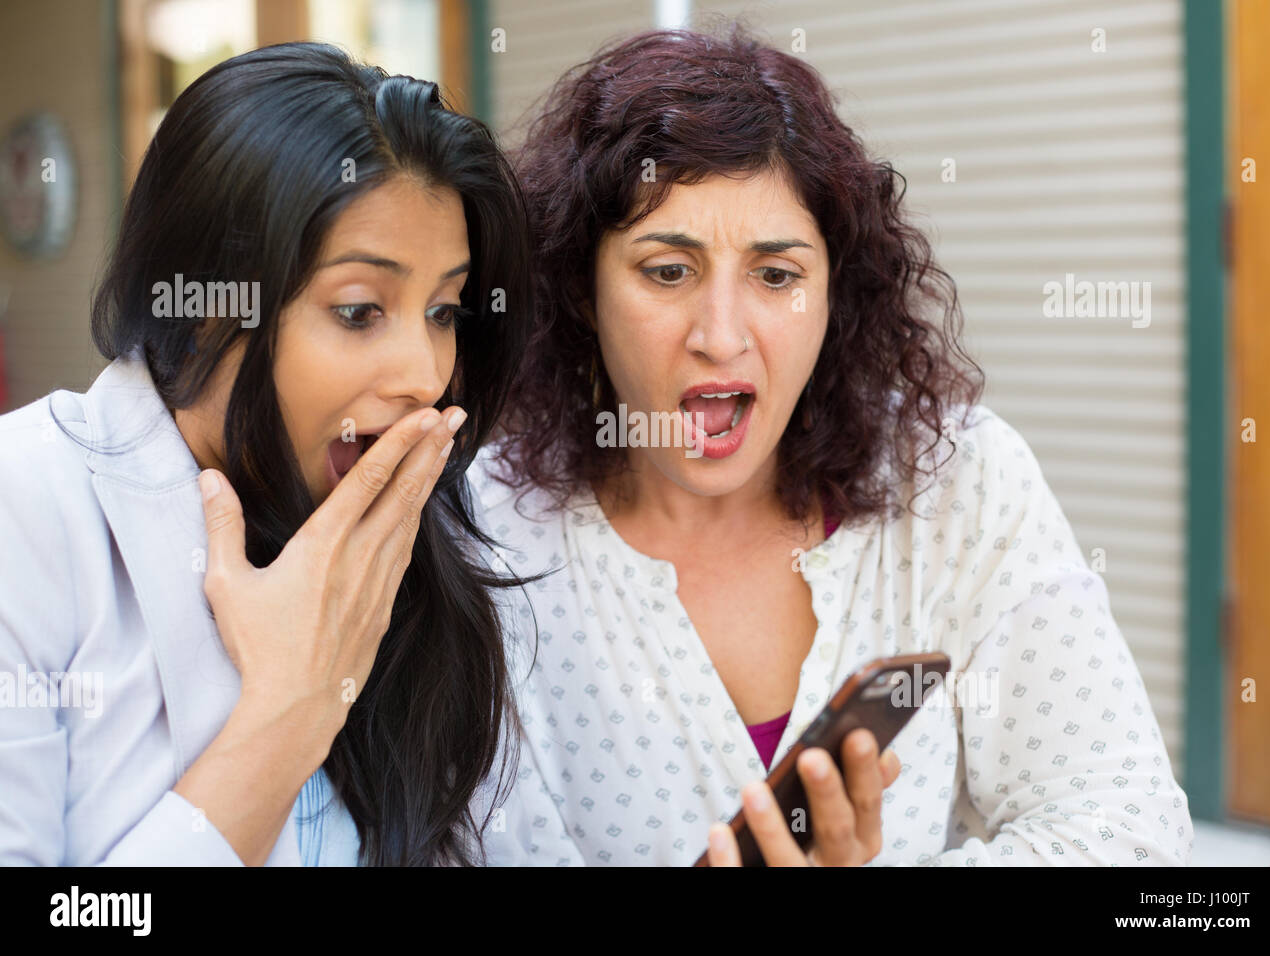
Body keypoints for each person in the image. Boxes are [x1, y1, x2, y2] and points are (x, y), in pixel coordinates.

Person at [469, 24, 1194, 866]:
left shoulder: (957, 481)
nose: (721, 335)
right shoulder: (485, 537)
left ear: (833, 296)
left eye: (776, 276)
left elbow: (1130, 828)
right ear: (579, 292)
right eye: (668, 271)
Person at [0, 42, 535, 866]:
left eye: (444, 312)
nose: (426, 379)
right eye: (360, 311)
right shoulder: (26, 502)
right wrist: (294, 705)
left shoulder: (417, 538)